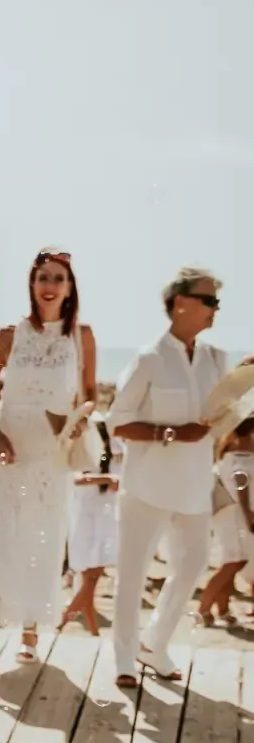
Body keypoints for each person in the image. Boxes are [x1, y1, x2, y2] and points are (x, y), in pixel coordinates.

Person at [109, 267, 230, 687]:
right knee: (133, 572)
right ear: (181, 303)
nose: (217, 309)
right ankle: (124, 657)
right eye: (209, 300)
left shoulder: (217, 359)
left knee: (194, 562)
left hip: (196, 485)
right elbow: (117, 423)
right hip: (146, 485)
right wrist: (172, 433)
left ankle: (154, 643)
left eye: (217, 301)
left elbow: (222, 417)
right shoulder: (149, 358)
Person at [0, 248, 96, 676]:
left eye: (58, 278)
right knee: (0, 537)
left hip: (51, 455)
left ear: (69, 288)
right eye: (43, 277)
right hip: (8, 449)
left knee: (43, 540)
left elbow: (88, 398)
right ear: (32, 284)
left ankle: (29, 630)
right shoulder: (9, 335)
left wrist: (81, 425)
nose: (50, 286)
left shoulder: (81, 337)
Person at [60, 417, 119, 633]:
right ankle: (63, 620)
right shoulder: (86, 455)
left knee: (91, 582)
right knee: (91, 579)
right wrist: (107, 479)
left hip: (102, 519)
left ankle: (91, 631)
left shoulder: (112, 458)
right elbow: (76, 479)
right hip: (88, 521)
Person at [199, 416, 254, 626]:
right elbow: (242, 488)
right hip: (235, 514)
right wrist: (249, 516)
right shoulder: (239, 459)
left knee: (231, 561)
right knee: (233, 561)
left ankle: (221, 609)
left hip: (232, 514)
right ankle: (204, 608)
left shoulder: (229, 457)